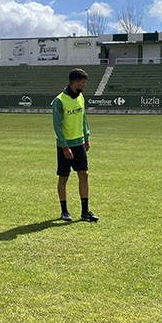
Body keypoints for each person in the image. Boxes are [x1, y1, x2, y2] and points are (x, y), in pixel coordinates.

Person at [51, 68, 99, 222]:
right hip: (65, 146)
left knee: (84, 175)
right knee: (63, 178)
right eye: (83, 82)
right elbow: (57, 126)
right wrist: (64, 147)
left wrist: (87, 137)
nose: (84, 85)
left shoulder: (81, 97)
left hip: (79, 144)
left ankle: (85, 212)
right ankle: (64, 211)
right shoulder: (59, 101)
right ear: (76, 82)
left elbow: (84, 118)